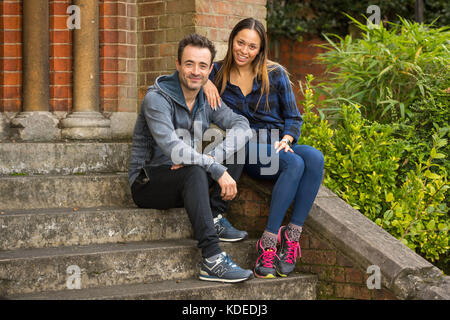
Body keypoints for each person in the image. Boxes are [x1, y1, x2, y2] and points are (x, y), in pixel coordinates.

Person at [203, 18, 325, 279]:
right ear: (232, 40)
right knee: (294, 164)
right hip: (244, 146)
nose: (244, 51)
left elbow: (293, 117)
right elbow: (184, 71)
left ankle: (291, 239)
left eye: (252, 46)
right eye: (240, 43)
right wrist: (205, 81)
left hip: (276, 143)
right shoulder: (216, 73)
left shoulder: (276, 74)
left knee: (314, 158)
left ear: (260, 49)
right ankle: (267, 244)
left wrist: (288, 139)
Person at [128, 33, 254, 283]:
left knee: (237, 145)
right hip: (149, 183)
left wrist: (211, 160)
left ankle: (215, 215)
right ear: (177, 65)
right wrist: (211, 166)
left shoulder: (206, 98)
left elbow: (242, 125)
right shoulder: (156, 99)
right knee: (195, 168)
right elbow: (173, 149)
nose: (196, 71)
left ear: (210, 70)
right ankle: (212, 258)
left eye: (203, 66)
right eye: (189, 64)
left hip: (188, 178)